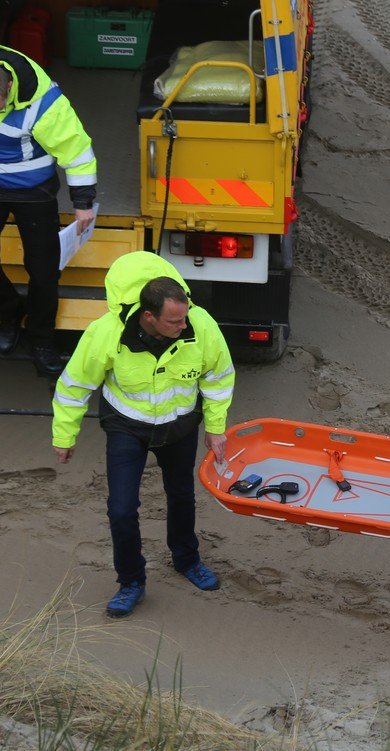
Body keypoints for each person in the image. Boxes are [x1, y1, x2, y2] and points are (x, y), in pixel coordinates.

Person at [52, 252, 235, 619]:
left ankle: (186, 560)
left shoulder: (201, 325)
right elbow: (74, 385)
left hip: (180, 426)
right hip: (126, 426)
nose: (184, 325)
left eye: (184, 316)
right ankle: (131, 581)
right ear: (148, 316)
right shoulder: (106, 333)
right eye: (174, 320)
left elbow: (218, 380)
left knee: (181, 496)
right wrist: (64, 434)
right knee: (121, 510)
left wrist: (215, 429)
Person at [0, 39, 97, 377]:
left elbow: (77, 152)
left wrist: (83, 204)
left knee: (44, 270)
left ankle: (41, 338)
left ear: (10, 88)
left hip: (32, 191)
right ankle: (10, 313)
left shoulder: (46, 104)